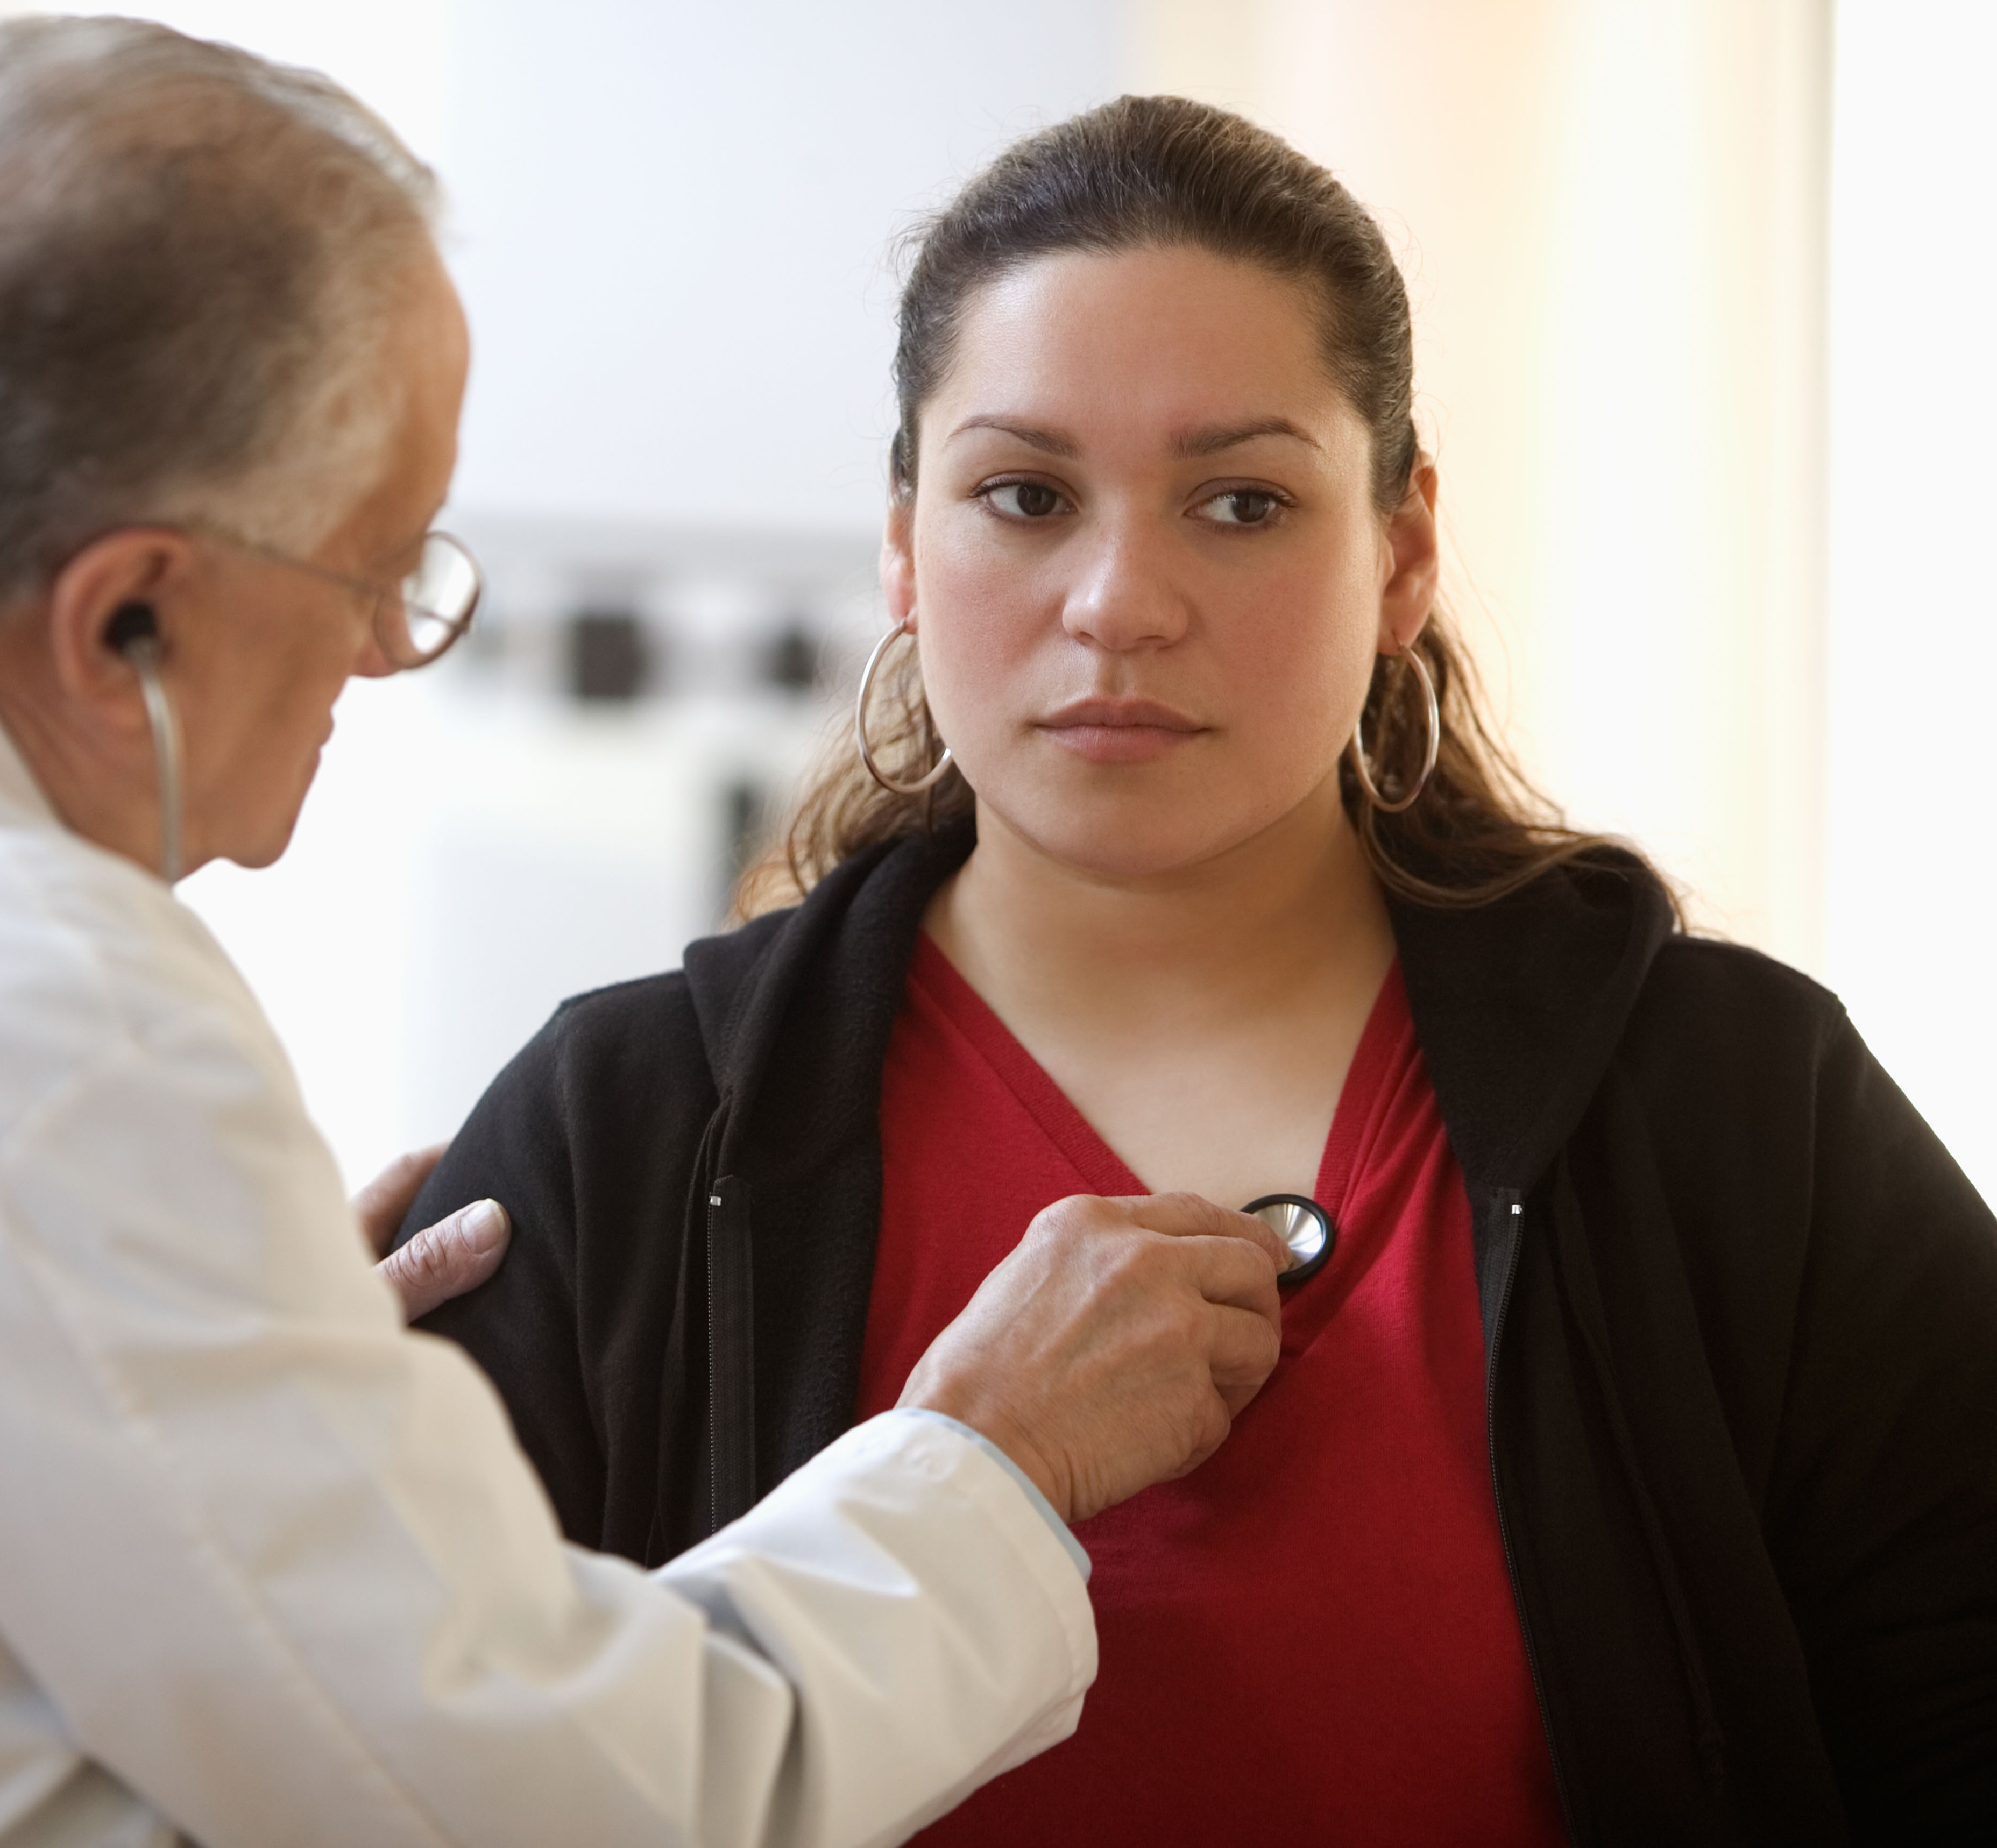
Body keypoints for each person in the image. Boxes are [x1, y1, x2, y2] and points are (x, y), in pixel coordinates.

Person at [0, 25, 1308, 1848]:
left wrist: (209, 1374)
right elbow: (554, 1803)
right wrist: (985, 1460)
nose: (388, 652)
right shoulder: (26, 1014)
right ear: (128, 610)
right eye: (380, 566)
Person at [401, 95, 1997, 1844]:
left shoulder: (1735, 1111)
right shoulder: (621, 1133)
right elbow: (394, 1778)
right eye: (1024, 495)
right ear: (902, 544)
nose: (1118, 601)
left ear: (1400, 552)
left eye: (1240, 502)